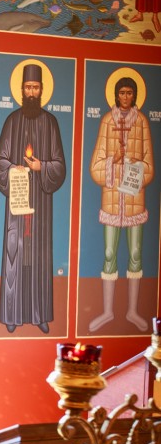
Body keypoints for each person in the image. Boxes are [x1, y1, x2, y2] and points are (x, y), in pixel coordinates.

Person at [0, 62, 66, 335]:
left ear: (42, 90)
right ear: (21, 90)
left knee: (38, 257)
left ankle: (39, 315)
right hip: (17, 201)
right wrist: (14, 169)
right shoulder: (12, 121)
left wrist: (40, 167)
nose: (31, 91)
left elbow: (60, 166)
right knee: (15, 254)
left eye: (35, 87)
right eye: (27, 87)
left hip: (41, 206)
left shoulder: (51, 122)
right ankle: (12, 314)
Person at [89, 74, 154, 332]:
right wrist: (113, 162)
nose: (125, 97)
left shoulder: (142, 122)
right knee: (108, 254)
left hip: (135, 202)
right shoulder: (107, 121)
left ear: (134, 95)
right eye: (122, 92)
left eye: (129, 92)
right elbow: (95, 169)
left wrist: (135, 169)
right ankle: (106, 311)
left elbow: (150, 168)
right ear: (116, 95)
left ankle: (133, 311)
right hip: (112, 202)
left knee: (136, 255)